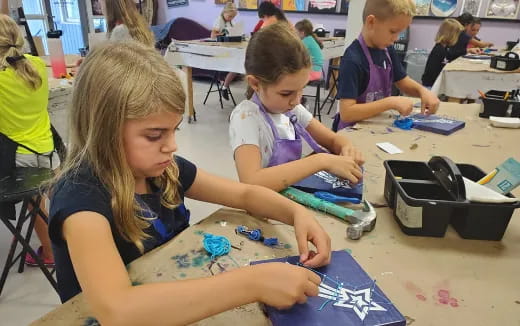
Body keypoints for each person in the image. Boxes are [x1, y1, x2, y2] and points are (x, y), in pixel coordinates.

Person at [47, 41, 331, 325]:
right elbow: (118, 310)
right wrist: (252, 283)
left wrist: (297, 215)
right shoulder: (80, 199)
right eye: (155, 135)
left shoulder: (163, 170)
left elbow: (244, 194)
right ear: (104, 130)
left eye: (174, 130)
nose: (171, 146)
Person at [229, 23, 364, 192]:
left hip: (291, 198)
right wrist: (320, 161)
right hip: (264, 209)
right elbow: (251, 182)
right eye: (286, 93)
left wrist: (347, 148)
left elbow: (332, 140)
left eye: (301, 89)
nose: (296, 100)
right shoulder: (246, 118)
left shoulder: (291, 110)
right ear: (255, 83)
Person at [0, 14, 59, 266]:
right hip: (49, 149)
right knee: (47, 202)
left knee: (36, 207)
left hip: (21, 157)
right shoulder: (36, 65)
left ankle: (50, 254)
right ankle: (60, 243)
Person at [334, 0, 440, 132]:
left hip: (375, 126)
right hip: (352, 133)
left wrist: (423, 92)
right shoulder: (353, 59)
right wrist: (390, 102)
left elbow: (403, 81)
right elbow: (347, 113)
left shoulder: (387, 49)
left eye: (399, 33)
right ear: (371, 22)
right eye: (393, 31)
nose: (395, 38)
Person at [421, 18, 463, 88]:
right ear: (451, 35)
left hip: (435, 84)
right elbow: (432, 72)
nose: (458, 38)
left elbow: (451, 56)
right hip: (431, 85)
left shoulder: (445, 48)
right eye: (457, 35)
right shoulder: (439, 50)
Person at [211, 2, 239, 101]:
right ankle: (224, 86)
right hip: (219, 51)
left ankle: (224, 86)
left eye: (233, 17)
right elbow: (213, 36)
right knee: (236, 65)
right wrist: (224, 32)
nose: (231, 18)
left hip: (227, 49)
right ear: (224, 12)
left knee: (238, 65)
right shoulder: (219, 21)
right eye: (230, 16)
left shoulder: (230, 22)